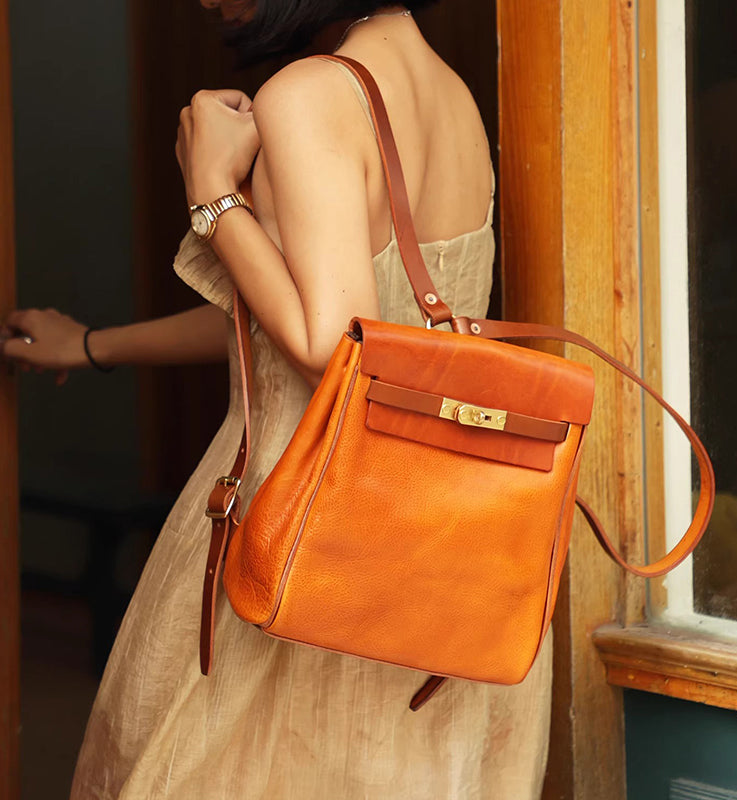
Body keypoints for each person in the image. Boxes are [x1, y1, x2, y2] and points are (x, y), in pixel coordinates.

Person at [2, 2, 553, 797]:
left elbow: (333, 344)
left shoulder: (311, 95)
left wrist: (210, 193)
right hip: (432, 555)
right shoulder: (449, 94)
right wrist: (94, 345)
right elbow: (299, 311)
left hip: (300, 538)